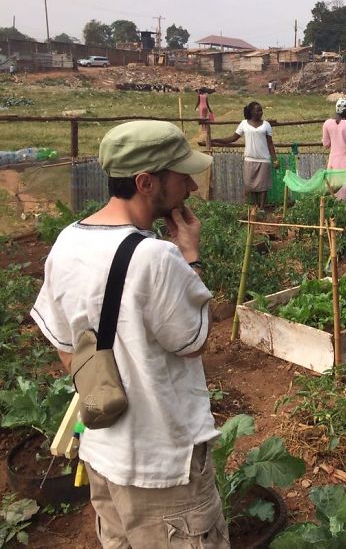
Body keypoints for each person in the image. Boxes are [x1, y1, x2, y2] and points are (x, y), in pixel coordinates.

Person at [30, 121, 229, 548]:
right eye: (181, 177)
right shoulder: (157, 257)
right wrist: (191, 256)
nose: (192, 187)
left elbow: (67, 351)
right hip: (164, 471)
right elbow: (193, 344)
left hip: (104, 456)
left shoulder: (67, 243)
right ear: (145, 182)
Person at [212, 101, 279, 208]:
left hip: (264, 159)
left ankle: (261, 208)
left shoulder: (266, 125)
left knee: (263, 186)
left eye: (261, 110)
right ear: (251, 111)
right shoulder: (244, 124)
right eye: (258, 110)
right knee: (251, 185)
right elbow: (233, 138)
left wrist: (275, 159)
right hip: (249, 158)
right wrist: (215, 140)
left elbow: (270, 144)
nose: (261, 112)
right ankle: (255, 206)